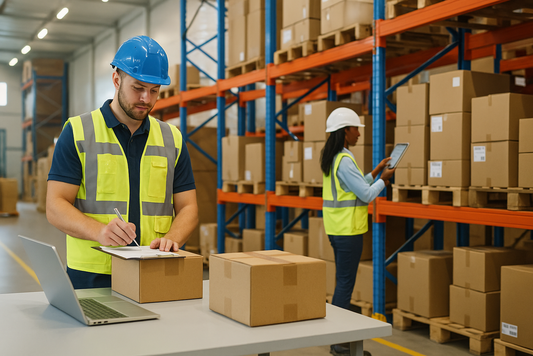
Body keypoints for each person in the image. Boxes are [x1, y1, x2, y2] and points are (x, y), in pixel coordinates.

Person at [46, 36, 198, 289]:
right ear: (116, 80)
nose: (146, 99)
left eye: (154, 91)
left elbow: (188, 208)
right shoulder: (78, 131)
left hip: (153, 268)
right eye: (138, 88)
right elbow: (55, 206)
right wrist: (99, 232)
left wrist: (173, 238)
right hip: (92, 272)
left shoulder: (173, 139)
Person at [320, 107, 395, 356]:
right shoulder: (344, 159)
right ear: (345, 132)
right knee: (344, 285)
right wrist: (384, 179)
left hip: (337, 229)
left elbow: (353, 185)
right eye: (356, 129)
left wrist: (374, 172)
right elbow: (365, 194)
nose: (359, 134)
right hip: (348, 232)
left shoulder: (335, 157)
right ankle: (339, 344)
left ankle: (338, 340)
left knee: (342, 283)